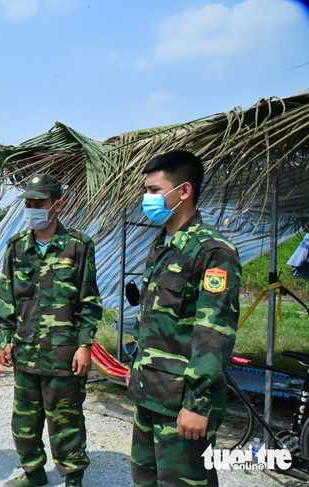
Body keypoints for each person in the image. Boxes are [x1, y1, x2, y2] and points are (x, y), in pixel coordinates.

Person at [126, 150, 241, 487]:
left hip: (182, 405)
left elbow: (213, 336)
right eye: (145, 191)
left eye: (154, 190)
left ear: (184, 191)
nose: (146, 199)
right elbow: (152, 325)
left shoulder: (212, 251)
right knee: (145, 481)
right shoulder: (162, 247)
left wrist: (199, 404)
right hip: (150, 394)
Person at [0, 174, 103, 487]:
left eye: (38, 203)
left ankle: (72, 477)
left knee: (65, 420)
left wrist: (85, 346)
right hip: (26, 348)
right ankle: (33, 473)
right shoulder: (16, 247)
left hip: (64, 352)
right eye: (27, 204)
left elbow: (89, 301)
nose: (31, 209)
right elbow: (7, 297)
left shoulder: (79, 246)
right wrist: (5, 339)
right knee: (25, 421)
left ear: (57, 205)